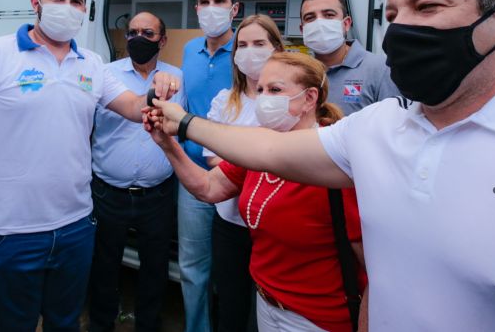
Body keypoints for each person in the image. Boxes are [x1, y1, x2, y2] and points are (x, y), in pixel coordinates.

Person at [147, 0, 495, 330]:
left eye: (427, 6)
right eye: (394, 12)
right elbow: (268, 150)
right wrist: (181, 124)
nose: (401, 28)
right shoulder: (382, 125)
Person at [0, 0, 180, 332]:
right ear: (36, 4)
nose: (67, 8)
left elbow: (132, 105)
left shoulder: (91, 63)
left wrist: (157, 86)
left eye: (76, 2)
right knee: (13, 324)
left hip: (75, 226)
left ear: (85, 10)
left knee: (65, 322)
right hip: (9, 230)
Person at [145, 51, 365, 332]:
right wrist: (167, 144)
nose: (263, 99)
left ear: (310, 98)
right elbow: (208, 187)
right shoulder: (257, 148)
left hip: (316, 317)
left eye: (275, 90)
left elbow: (372, 267)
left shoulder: (334, 163)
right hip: (266, 303)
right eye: (260, 89)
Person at [88, 11, 185, 332]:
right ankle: (101, 324)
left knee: (155, 269)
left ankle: (148, 325)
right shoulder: (105, 75)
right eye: (132, 33)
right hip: (107, 193)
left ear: (163, 40)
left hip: (157, 194)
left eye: (147, 33)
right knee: (104, 266)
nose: (138, 39)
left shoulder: (178, 80)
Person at [203, 14, 285, 332]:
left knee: (268, 307)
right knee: (230, 301)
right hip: (230, 223)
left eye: (259, 44)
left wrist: (235, 161)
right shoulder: (226, 101)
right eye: (243, 45)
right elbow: (211, 155)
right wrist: (252, 171)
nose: (250, 51)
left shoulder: (285, 101)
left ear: (277, 48)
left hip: (274, 227)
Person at [180, 0, 239, 332]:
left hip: (237, 173)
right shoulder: (189, 50)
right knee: (192, 266)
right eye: (204, 2)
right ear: (196, 7)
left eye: (219, 2)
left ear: (235, 9)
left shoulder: (250, 50)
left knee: (233, 266)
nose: (211, 9)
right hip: (193, 173)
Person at [300, 0, 398, 115]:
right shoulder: (300, 72)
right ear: (303, 30)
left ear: (346, 24)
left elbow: (394, 125)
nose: (319, 23)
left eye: (329, 15)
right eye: (310, 17)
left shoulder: (381, 69)